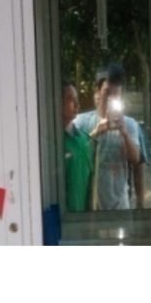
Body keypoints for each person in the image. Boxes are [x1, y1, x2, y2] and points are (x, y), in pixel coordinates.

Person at [73, 62, 148, 211]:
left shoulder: (130, 124)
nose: (110, 98)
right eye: (107, 92)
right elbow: (74, 157)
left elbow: (136, 161)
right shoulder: (81, 123)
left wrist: (124, 134)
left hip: (121, 208)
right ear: (98, 92)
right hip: (89, 210)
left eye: (116, 94)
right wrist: (96, 132)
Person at [61, 81, 93, 212]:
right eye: (70, 99)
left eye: (76, 99)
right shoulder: (50, 142)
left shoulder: (85, 140)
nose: (76, 104)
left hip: (82, 217)